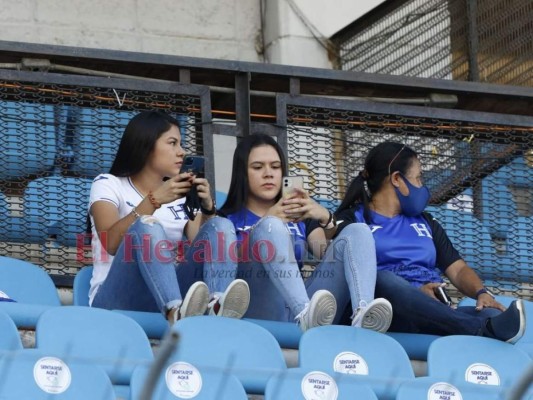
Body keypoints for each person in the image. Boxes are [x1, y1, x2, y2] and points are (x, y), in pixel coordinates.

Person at [335, 141, 526, 343]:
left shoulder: (425, 222)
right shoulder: (352, 219)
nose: (422, 186)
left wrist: (482, 293)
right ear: (397, 179)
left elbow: (458, 269)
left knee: (492, 315)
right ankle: (477, 329)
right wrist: (415, 292)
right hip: (384, 312)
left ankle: (474, 325)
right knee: (385, 280)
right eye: (418, 178)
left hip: (433, 310)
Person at [218, 134, 392, 332]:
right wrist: (267, 220)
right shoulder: (225, 219)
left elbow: (329, 256)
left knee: (358, 230)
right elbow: (226, 272)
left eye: (275, 167)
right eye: (258, 167)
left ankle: (363, 314)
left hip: (304, 312)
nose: (269, 174)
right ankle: (305, 313)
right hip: (257, 309)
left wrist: (325, 217)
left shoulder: (298, 216)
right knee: (271, 226)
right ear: (242, 173)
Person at [88, 110, 249, 325]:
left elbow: (202, 244)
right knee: (147, 226)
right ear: (146, 145)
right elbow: (110, 242)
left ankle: (217, 308)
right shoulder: (108, 183)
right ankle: (174, 312)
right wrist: (154, 201)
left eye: (181, 144)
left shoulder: (178, 199)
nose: (181, 152)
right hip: (115, 300)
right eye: (172, 143)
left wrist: (209, 209)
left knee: (221, 224)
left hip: (161, 295)